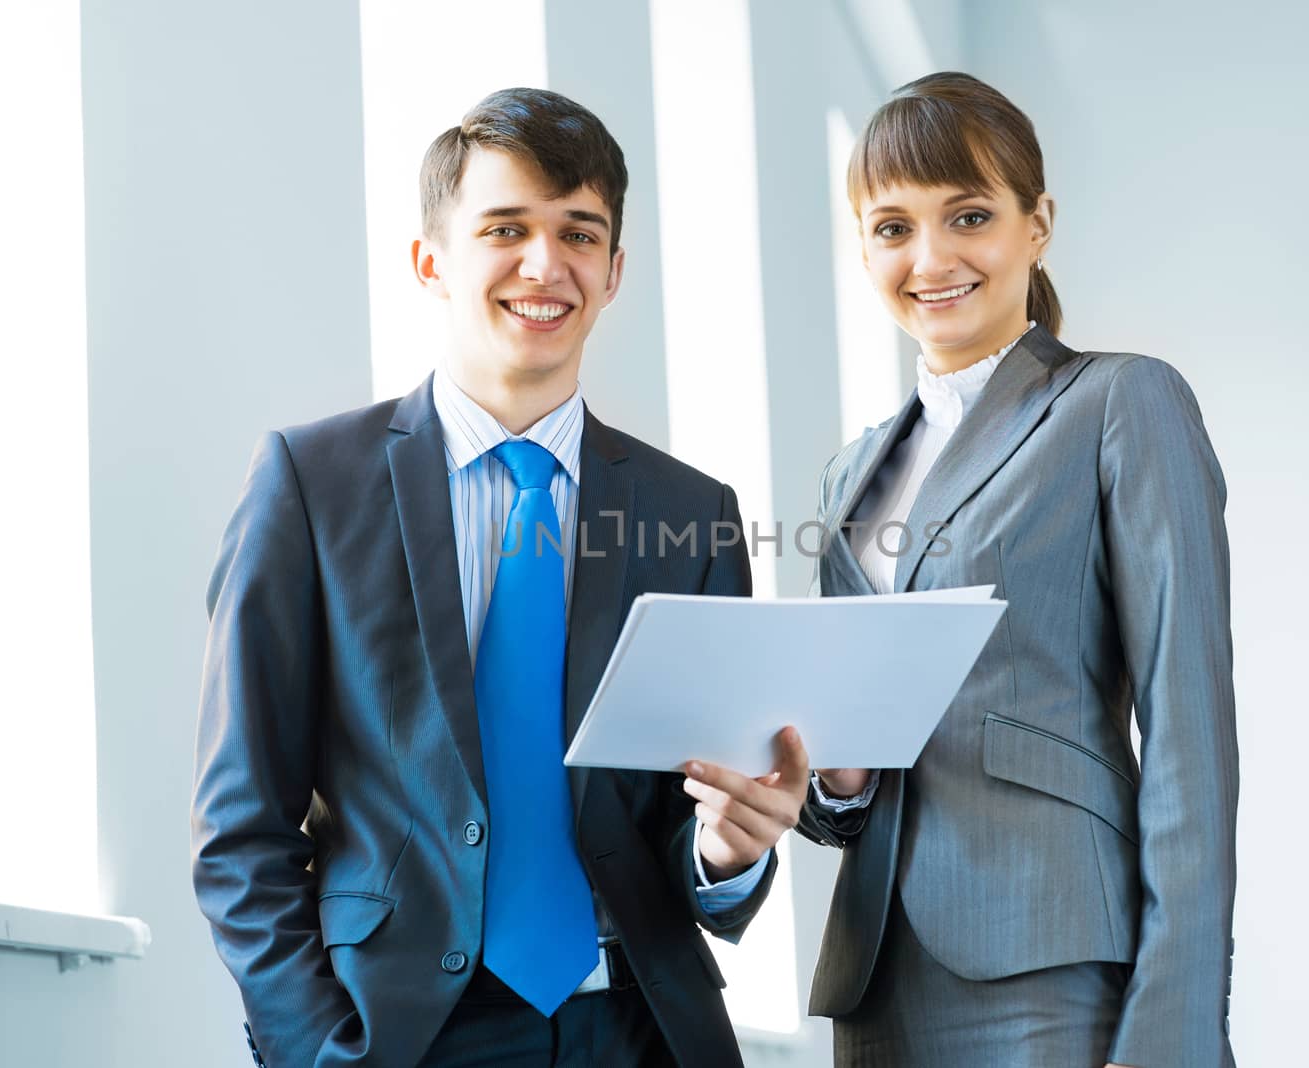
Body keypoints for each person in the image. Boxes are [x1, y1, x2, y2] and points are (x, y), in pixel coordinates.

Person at [192, 87, 809, 1068]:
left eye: (578, 233)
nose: (543, 263)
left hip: (638, 1029)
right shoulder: (311, 485)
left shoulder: (690, 512)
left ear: (613, 273)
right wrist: (314, 1048)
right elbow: (241, 829)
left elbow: (678, 828)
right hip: (403, 1036)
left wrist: (730, 853)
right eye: (505, 228)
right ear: (431, 261)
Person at [798, 72, 1239, 1067]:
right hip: (877, 981)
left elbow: (1188, 727)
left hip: (1051, 956)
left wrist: (1175, 1020)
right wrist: (833, 783)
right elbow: (847, 771)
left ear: (1035, 225)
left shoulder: (1119, 402)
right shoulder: (849, 473)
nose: (931, 258)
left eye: (968, 215)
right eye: (892, 227)